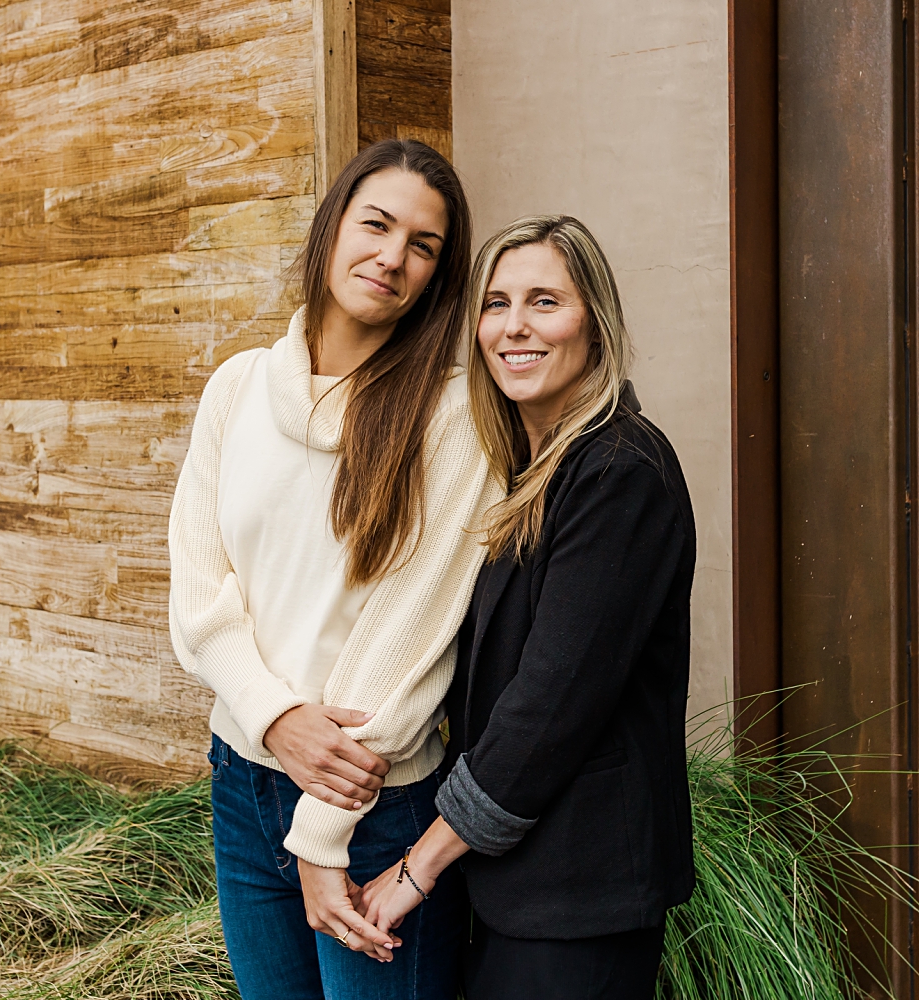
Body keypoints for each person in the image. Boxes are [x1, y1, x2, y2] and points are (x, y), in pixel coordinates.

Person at [167, 139, 501, 999]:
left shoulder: (453, 415)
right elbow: (199, 601)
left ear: (437, 275)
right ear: (331, 228)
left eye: (423, 246)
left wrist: (322, 837)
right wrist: (275, 717)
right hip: (242, 782)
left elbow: (411, 639)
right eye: (377, 224)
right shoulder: (236, 389)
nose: (393, 257)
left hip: (376, 805)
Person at [358, 215, 697, 1000]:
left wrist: (419, 867)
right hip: (517, 885)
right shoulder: (524, 469)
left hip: (583, 893)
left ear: (595, 324)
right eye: (496, 303)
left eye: (544, 301)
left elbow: (551, 704)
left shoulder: (621, 469)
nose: (513, 326)